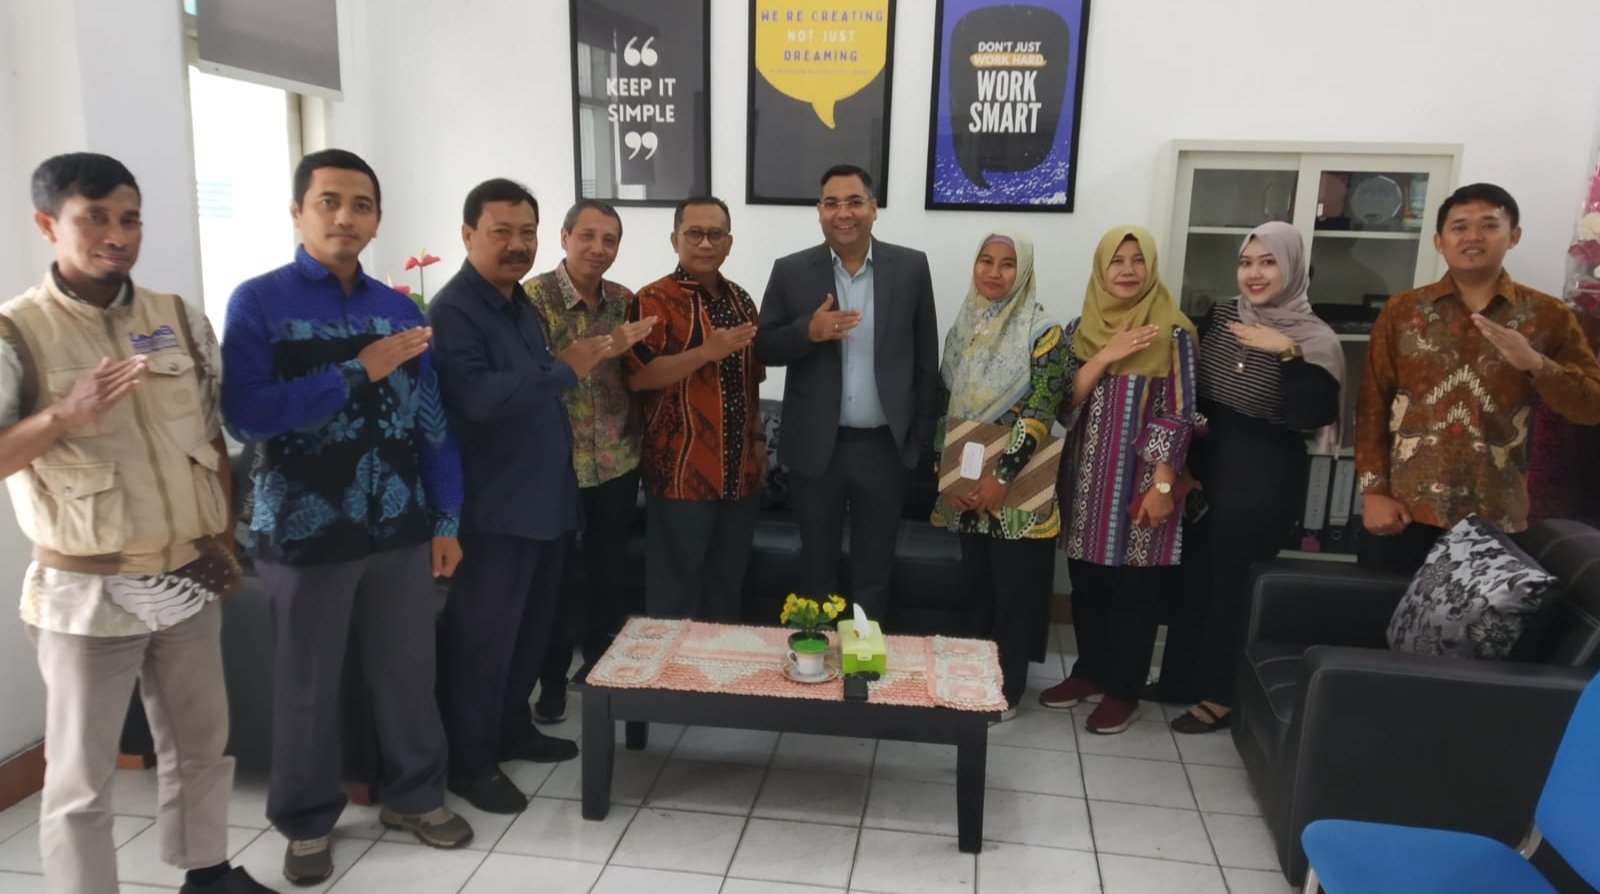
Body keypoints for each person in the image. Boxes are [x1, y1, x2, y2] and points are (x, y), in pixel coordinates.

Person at [2, 153, 271, 894]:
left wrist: (221, 543)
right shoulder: (18, 332)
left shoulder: (175, 318)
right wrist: (63, 414)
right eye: (94, 218)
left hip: (185, 571)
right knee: (81, 777)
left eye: (130, 218)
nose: (117, 235)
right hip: (86, 588)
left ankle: (207, 873)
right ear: (47, 224)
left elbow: (210, 436)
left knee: (201, 743)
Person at [222, 149, 472, 884]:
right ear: (297, 212)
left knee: (409, 672)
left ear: (377, 220)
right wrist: (357, 371)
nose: (345, 217)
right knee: (307, 685)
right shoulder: (259, 302)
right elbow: (245, 415)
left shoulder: (399, 309)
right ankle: (306, 823)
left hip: (398, 525)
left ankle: (416, 798)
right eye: (328, 201)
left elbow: (432, 422)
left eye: (361, 205)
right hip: (304, 531)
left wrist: (447, 518)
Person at [430, 180, 653, 813]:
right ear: (468, 234)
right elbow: (479, 398)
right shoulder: (455, 311)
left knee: (529, 634)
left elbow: (535, 389)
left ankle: (511, 729)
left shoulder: (517, 306)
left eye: (525, 232)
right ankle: (470, 761)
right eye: (501, 231)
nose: (517, 244)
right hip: (495, 509)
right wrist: (568, 366)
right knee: (484, 641)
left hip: (546, 500)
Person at [1356, 183, 1600, 575]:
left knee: (1484, 617)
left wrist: (1536, 363)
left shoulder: (1549, 316)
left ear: (1513, 235)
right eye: (1459, 227)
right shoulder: (1402, 311)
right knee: (1380, 609)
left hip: (1497, 514)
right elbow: (1371, 405)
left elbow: (1590, 407)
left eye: (1488, 225)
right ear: (1439, 241)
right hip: (1404, 509)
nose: (1472, 237)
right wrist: (1373, 491)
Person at [1157, 222, 1343, 734]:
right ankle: (1180, 679)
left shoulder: (1315, 338)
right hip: (1205, 465)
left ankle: (1220, 695)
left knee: (1233, 588)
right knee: (1194, 578)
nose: (1254, 274)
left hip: (1262, 476)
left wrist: (1286, 351)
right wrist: (1182, 465)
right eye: (1246, 262)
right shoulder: (1221, 315)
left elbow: (1310, 416)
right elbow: (1190, 385)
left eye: (1268, 262)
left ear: (1295, 268)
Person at [754, 165, 939, 619]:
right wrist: (807, 331)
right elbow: (763, 346)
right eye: (832, 203)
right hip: (817, 450)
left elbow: (925, 358)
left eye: (854, 201)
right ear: (819, 212)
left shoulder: (910, 268)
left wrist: (917, 439)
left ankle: (863, 655)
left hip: (883, 448)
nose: (844, 213)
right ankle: (816, 653)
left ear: (873, 208)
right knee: (816, 566)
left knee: (874, 568)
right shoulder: (791, 271)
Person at [1038, 226, 1201, 735]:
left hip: (1143, 484)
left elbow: (1181, 412)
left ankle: (1123, 690)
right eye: (1117, 260)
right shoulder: (1079, 330)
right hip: (1086, 481)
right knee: (1087, 584)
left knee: (1136, 591)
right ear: (1101, 268)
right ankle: (1089, 671)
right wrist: (1106, 354)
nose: (1128, 270)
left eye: (1137, 260)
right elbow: (1063, 404)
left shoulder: (1173, 331)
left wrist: (1163, 486)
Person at [932, 231, 1067, 719]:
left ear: (1023, 270)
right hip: (968, 486)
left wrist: (1001, 477)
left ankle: (1006, 692)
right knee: (977, 593)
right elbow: (945, 404)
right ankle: (971, 682)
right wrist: (950, 478)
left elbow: (1042, 409)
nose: (993, 272)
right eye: (985, 261)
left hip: (1016, 488)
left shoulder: (1044, 332)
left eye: (1007, 264)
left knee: (1015, 595)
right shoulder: (964, 327)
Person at [526, 199, 643, 724]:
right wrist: (598, 349)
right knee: (555, 580)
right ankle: (550, 686)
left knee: (608, 577)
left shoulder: (624, 301)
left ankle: (601, 676)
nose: (598, 248)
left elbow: (636, 375)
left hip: (616, 460)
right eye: (588, 236)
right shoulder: (532, 299)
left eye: (609, 240)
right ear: (565, 236)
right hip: (556, 464)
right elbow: (528, 378)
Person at [623, 196, 763, 621]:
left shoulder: (741, 300)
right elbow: (638, 377)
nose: (705, 243)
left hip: (740, 474)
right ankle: (668, 667)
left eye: (715, 234)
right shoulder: (653, 300)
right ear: (675, 239)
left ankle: (718, 663)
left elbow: (752, 380)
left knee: (726, 590)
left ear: (729, 243)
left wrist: (759, 441)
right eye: (694, 233)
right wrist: (706, 352)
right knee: (675, 596)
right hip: (681, 473)